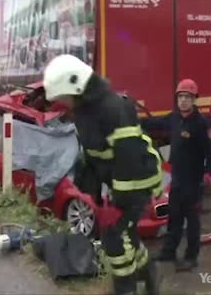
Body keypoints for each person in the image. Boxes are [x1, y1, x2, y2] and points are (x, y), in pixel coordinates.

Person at [43, 54, 163, 295]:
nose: (62, 103)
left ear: (76, 86)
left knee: (114, 238)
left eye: (62, 97)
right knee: (126, 233)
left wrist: (120, 203)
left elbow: (129, 159)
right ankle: (149, 274)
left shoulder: (112, 108)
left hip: (138, 181)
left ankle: (126, 288)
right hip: (120, 181)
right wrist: (93, 192)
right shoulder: (85, 111)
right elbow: (94, 155)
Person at [141, 79, 211, 272]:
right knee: (173, 218)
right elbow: (154, 123)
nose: (183, 101)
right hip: (177, 179)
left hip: (194, 182)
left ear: (194, 99)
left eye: (187, 97)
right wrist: (132, 119)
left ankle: (191, 257)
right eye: (181, 97)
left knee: (192, 222)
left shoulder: (201, 123)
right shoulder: (174, 117)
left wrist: (207, 175)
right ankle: (169, 252)